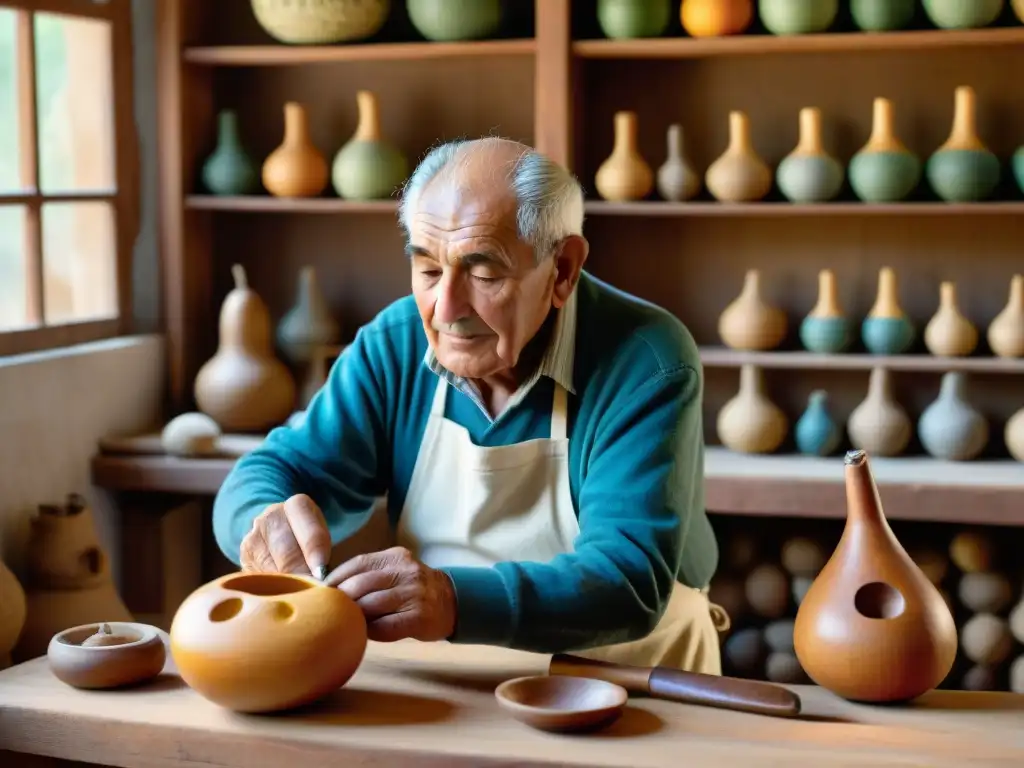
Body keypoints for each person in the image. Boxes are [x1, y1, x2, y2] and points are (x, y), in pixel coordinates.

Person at [212, 137, 726, 673]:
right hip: (452, 682)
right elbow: (271, 470)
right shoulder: (396, 343)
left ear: (564, 270)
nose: (446, 310)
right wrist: (263, 521)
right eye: (429, 270)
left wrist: (450, 600)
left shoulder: (646, 359)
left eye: (484, 275)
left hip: (636, 682)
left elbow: (625, 579)